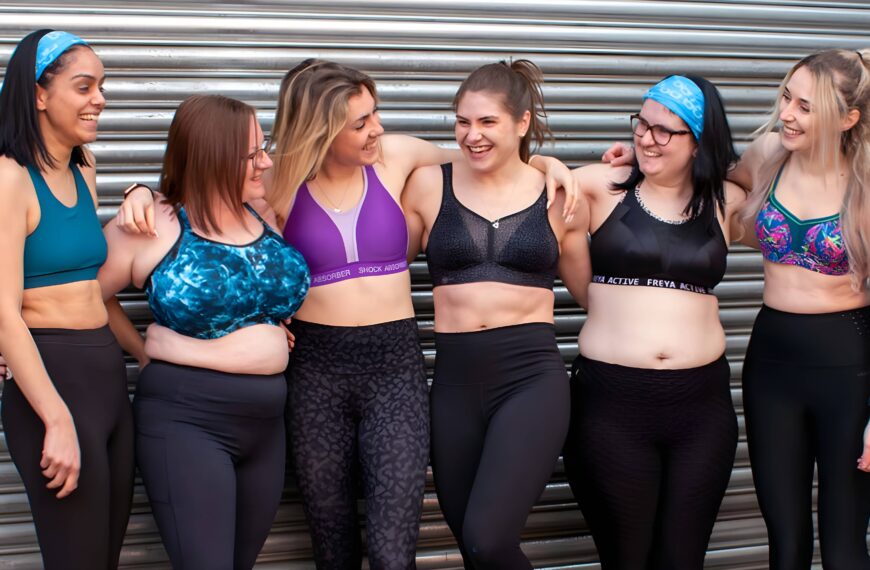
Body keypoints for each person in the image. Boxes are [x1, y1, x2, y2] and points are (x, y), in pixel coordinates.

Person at [119, 58, 577, 569]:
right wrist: (143, 192)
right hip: (316, 370)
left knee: (390, 553)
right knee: (333, 545)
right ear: (323, 129)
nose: (376, 128)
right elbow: (206, 192)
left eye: (374, 114)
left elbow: (484, 156)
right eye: (360, 123)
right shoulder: (280, 182)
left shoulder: (395, 158)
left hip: (394, 369)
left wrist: (548, 164)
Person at [97, 94, 310, 569]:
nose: (266, 162)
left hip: (267, 424)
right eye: (252, 154)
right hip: (188, 420)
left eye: (265, 147)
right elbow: (85, 296)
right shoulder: (155, 224)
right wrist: (142, 349)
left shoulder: (265, 213)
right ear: (214, 156)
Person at [401, 59, 590, 569]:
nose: (472, 134)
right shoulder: (427, 185)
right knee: (472, 544)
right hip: (455, 382)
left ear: (522, 123)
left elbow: (594, 296)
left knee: (488, 537)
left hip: (530, 379)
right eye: (463, 121)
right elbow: (381, 269)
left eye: (488, 122)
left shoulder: (560, 198)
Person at [564, 75, 745, 569]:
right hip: (613, 408)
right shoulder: (599, 188)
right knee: (626, 560)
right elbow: (529, 179)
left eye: (665, 130)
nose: (646, 138)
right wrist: (541, 161)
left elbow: (781, 162)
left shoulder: (726, 200)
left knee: (683, 561)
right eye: (641, 123)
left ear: (699, 142)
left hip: (701, 411)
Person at [0, 29, 134, 569]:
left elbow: (92, 279)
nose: (98, 98)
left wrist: (142, 193)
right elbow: (4, 311)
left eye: (101, 86)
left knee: (105, 555)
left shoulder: (85, 167)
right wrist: (55, 418)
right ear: (38, 94)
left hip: (105, 372)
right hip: (53, 380)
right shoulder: (10, 180)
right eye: (83, 86)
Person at [731, 49, 870, 569]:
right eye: (787, 97)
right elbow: (707, 181)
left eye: (806, 107)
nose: (787, 113)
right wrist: (633, 158)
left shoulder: (866, 182)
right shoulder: (769, 154)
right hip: (771, 365)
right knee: (785, 542)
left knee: (843, 545)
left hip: (848, 369)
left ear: (848, 118)